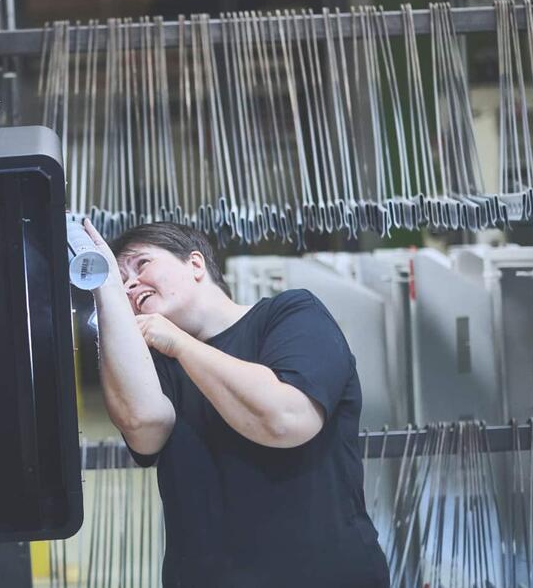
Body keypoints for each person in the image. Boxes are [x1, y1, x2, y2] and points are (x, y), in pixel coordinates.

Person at [82, 219, 389, 588]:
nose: (130, 283)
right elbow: (144, 425)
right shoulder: (155, 367)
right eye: (121, 278)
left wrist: (179, 343)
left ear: (195, 264)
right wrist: (107, 291)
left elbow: (285, 419)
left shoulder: (291, 315)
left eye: (141, 264)